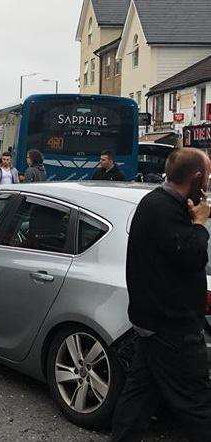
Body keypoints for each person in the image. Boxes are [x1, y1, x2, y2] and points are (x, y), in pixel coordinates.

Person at [111, 148, 211, 442]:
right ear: (195, 177)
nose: (208, 182)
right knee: (196, 402)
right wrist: (199, 224)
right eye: (206, 175)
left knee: (140, 395)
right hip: (171, 327)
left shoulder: (159, 202)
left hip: (153, 323)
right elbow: (190, 256)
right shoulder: (164, 209)